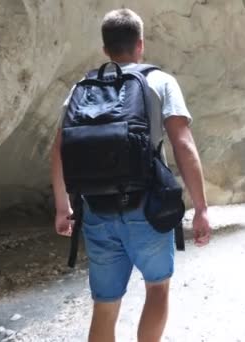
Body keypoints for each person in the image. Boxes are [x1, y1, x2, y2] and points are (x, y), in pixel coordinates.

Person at [50, 8, 211, 342]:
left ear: (105, 49)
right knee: (156, 290)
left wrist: (62, 207)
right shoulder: (160, 81)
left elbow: (60, 149)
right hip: (147, 206)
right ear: (140, 44)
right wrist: (201, 208)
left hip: (96, 209)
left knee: (105, 305)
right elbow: (183, 145)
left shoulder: (83, 87)